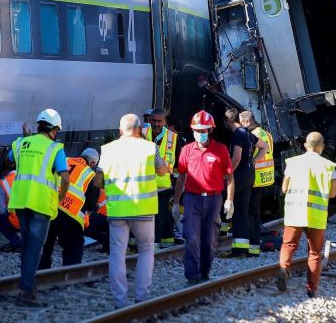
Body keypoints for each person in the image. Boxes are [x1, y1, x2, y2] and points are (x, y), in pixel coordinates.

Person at [94, 114, 167, 308]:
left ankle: (120, 301)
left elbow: (97, 181)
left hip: (117, 210)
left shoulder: (108, 150)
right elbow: (162, 171)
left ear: (120, 130)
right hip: (143, 210)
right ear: (141, 130)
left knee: (117, 254)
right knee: (146, 250)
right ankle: (142, 298)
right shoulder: (151, 148)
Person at [8, 109, 70, 306]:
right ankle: (25, 292)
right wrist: (60, 196)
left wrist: (26, 139)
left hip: (20, 201)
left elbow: (11, 157)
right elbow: (65, 177)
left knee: (27, 245)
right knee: (35, 248)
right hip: (41, 204)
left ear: (39, 126)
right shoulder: (55, 148)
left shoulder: (22, 143)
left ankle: (28, 286)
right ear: (55, 130)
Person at [173, 110, 235, 284]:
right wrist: (176, 202)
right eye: (197, 130)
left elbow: (230, 178)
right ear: (193, 131)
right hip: (192, 199)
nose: (200, 134)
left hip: (214, 200)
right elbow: (181, 178)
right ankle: (192, 277)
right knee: (191, 237)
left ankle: (204, 273)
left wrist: (229, 200)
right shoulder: (186, 151)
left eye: (204, 130)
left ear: (210, 131)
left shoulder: (220, 150)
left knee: (208, 242)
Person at [277, 132, 336, 298]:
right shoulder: (328, 166)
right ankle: (312, 289)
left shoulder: (293, 163)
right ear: (322, 147)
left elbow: (284, 189)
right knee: (314, 253)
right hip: (315, 217)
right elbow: (333, 194)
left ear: (305, 145)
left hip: (294, 213)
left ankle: (284, 268)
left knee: (288, 245)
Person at [38, 148, 98, 269]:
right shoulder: (91, 175)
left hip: (51, 208)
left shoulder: (64, 160)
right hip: (72, 216)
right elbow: (91, 204)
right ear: (92, 163)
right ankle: (69, 275)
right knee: (74, 245)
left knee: (46, 242)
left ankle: (41, 273)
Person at [224, 108, 268, 257]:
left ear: (229, 120)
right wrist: (253, 161)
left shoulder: (237, 134)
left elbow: (236, 158)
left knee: (238, 212)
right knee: (245, 212)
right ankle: (249, 248)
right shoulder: (248, 133)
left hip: (239, 177)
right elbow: (264, 147)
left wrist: (227, 173)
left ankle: (239, 249)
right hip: (250, 175)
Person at [239, 110, 275, 257]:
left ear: (247, 122)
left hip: (255, 178)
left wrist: (252, 162)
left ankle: (253, 244)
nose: (242, 127)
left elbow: (259, 152)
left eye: (242, 124)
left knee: (251, 212)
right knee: (255, 211)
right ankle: (254, 243)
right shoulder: (266, 133)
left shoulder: (253, 135)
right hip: (265, 177)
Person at [148, 109, 181, 248]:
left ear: (164, 121)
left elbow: (179, 163)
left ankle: (154, 246)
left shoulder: (173, 138)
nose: (156, 124)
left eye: (159, 121)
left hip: (164, 185)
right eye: (154, 120)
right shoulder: (143, 134)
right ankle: (167, 239)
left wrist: (177, 184)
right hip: (145, 184)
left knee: (159, 215)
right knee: (154, 215)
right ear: (149, 120)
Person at [0, 168, 21, 251]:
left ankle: (17, 242)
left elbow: (1, 209)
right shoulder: (30, 178)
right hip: (34, 220)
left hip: (18, 222)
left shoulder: (3, 183)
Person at [85, 188, 110, 253]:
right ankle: (106, 245)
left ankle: (105, 240)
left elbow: (91, 207)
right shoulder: (103, 191)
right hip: (111, 218)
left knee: (84, 227)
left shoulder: (96, 191)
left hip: (103, 217)